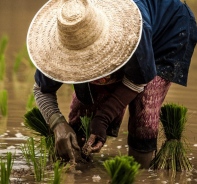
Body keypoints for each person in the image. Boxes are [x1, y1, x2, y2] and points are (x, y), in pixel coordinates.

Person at [27, 0, 197, 169]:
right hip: (128, 32)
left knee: (144, 113)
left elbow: (139, 79)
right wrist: (58, 124)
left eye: (90, 57)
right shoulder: (58, 44)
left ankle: (137, 173)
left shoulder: (132, 31)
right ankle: (78, 165)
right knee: (85, 110)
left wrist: (104, 116)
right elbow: (41, 90)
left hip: (167, 32)